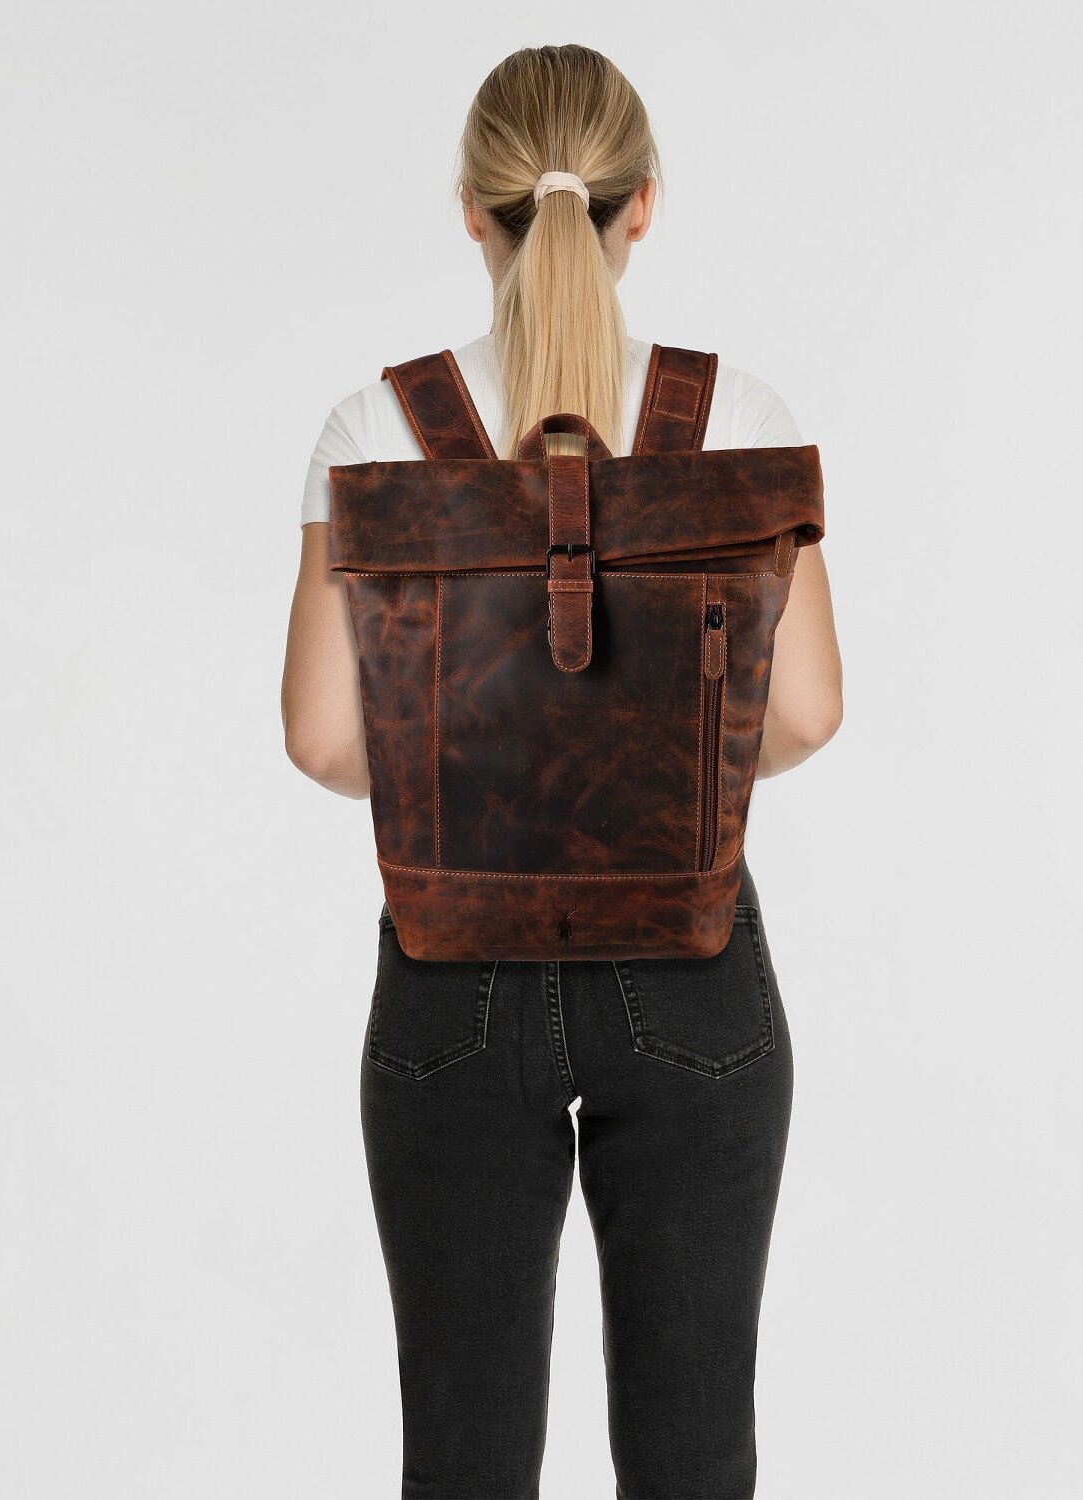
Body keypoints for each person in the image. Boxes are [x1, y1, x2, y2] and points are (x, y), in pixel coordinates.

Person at [282, 43, 842, 1500]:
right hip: (692, 965)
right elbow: (805, 714)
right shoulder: (741, 416)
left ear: (472, 211)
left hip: (450, 976)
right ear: (642, 205)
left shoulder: (375, 429)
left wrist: (476, 756)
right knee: (694, 1454)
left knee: (462, 1461)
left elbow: (326, 739)